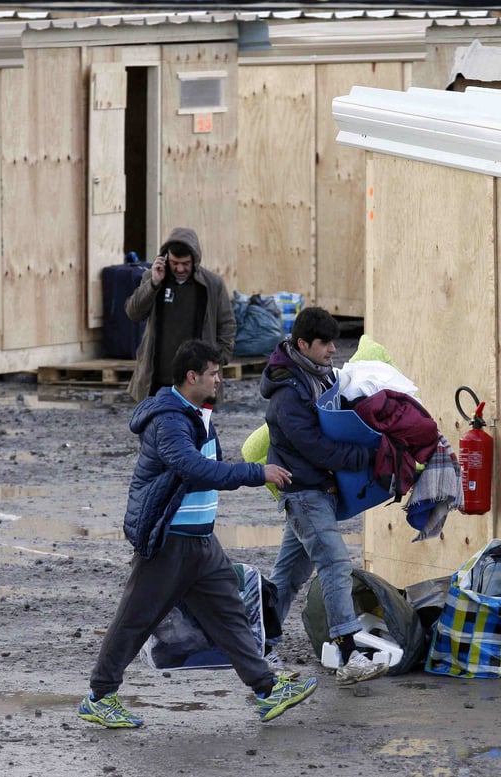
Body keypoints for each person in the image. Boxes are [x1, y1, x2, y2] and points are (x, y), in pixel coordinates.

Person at [78, 339, 318, 728]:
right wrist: (256, 473)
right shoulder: (169, 420)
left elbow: (209, 464)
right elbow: (194, 469)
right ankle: (99, 697)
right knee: (134, 620)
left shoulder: (197, 413)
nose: (220, 380)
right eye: (213, 373)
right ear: (192, 377)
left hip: (201, 543)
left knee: (230, 615)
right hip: (170, 542)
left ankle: (267, 690)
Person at [260, 307, 388, 685]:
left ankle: (258, 648)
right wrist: (370, 456)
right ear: (303, 344)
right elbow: (318, 448)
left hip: (314, 490)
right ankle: (349, 654)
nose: (334, 349)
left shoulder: (315, 377)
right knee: (335, 563)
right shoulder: (288, 394)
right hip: (303, 492)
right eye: (325, 343)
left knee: (287, 578)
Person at [124, 227, 236, 402]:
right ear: (166, 258)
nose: (180, 268)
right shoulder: (154, 278)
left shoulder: (211, 284)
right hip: (158, 378)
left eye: (185, 263)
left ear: (195, 260)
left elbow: (227, 324)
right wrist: (153, 284)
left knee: (197, 428)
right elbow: (133, 312)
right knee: (157, 427)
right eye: (175, 263)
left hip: (197, 380)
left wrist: (219, 358)